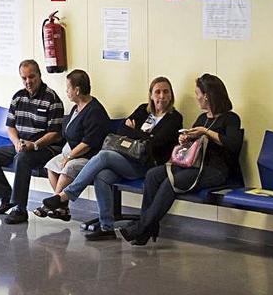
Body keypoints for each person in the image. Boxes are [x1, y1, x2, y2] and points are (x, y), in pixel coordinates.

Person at [41, 76, 184, 240]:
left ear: (171, 95)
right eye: (157, 92)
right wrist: (144, 136)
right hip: (127, 159)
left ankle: (66, 195)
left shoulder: (174, 118)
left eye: (166, 92)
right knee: (102, 176)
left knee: (103, 156)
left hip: (147, 165)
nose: (161, 96)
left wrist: (138, 134)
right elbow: (123, 130)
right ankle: (106, 227)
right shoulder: (143, 110)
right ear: (151, 95)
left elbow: (156, 143)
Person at [120, 73, 242, 245]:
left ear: (206, 96)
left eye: (198, 93)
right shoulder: (202, 118)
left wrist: (205, 132)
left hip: (215, 170)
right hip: (192, 165)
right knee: (153, 175)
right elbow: (190, 143)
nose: (196, 97)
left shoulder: (231, 118)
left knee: (172, 182)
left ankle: (142, 227)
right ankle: (148, 227)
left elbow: (232, 144)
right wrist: (184, 139)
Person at [0, 59, 65, 225]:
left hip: (45, 148)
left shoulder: (52, 99)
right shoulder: (17, 97)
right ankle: (5, 197)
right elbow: (10, 127)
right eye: (24, 78)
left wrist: (34, 145)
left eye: (31, 77)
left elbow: (54, 134)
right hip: (21, 145)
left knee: (22, 159)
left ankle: (20, 209)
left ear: (39, 75)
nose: (28, 81)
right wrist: (17, 143)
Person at [32, 69, 109, 222]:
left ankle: (49, 205)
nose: (66, 91)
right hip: (70, 153)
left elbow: (87, 144)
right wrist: (66, 155)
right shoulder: (76, 108)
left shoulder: (94, 111)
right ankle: (62, 207)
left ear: (77, 90)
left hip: (88, 157)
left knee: (68, 168)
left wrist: (69, 156)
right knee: (51, 166)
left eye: (68, 88)